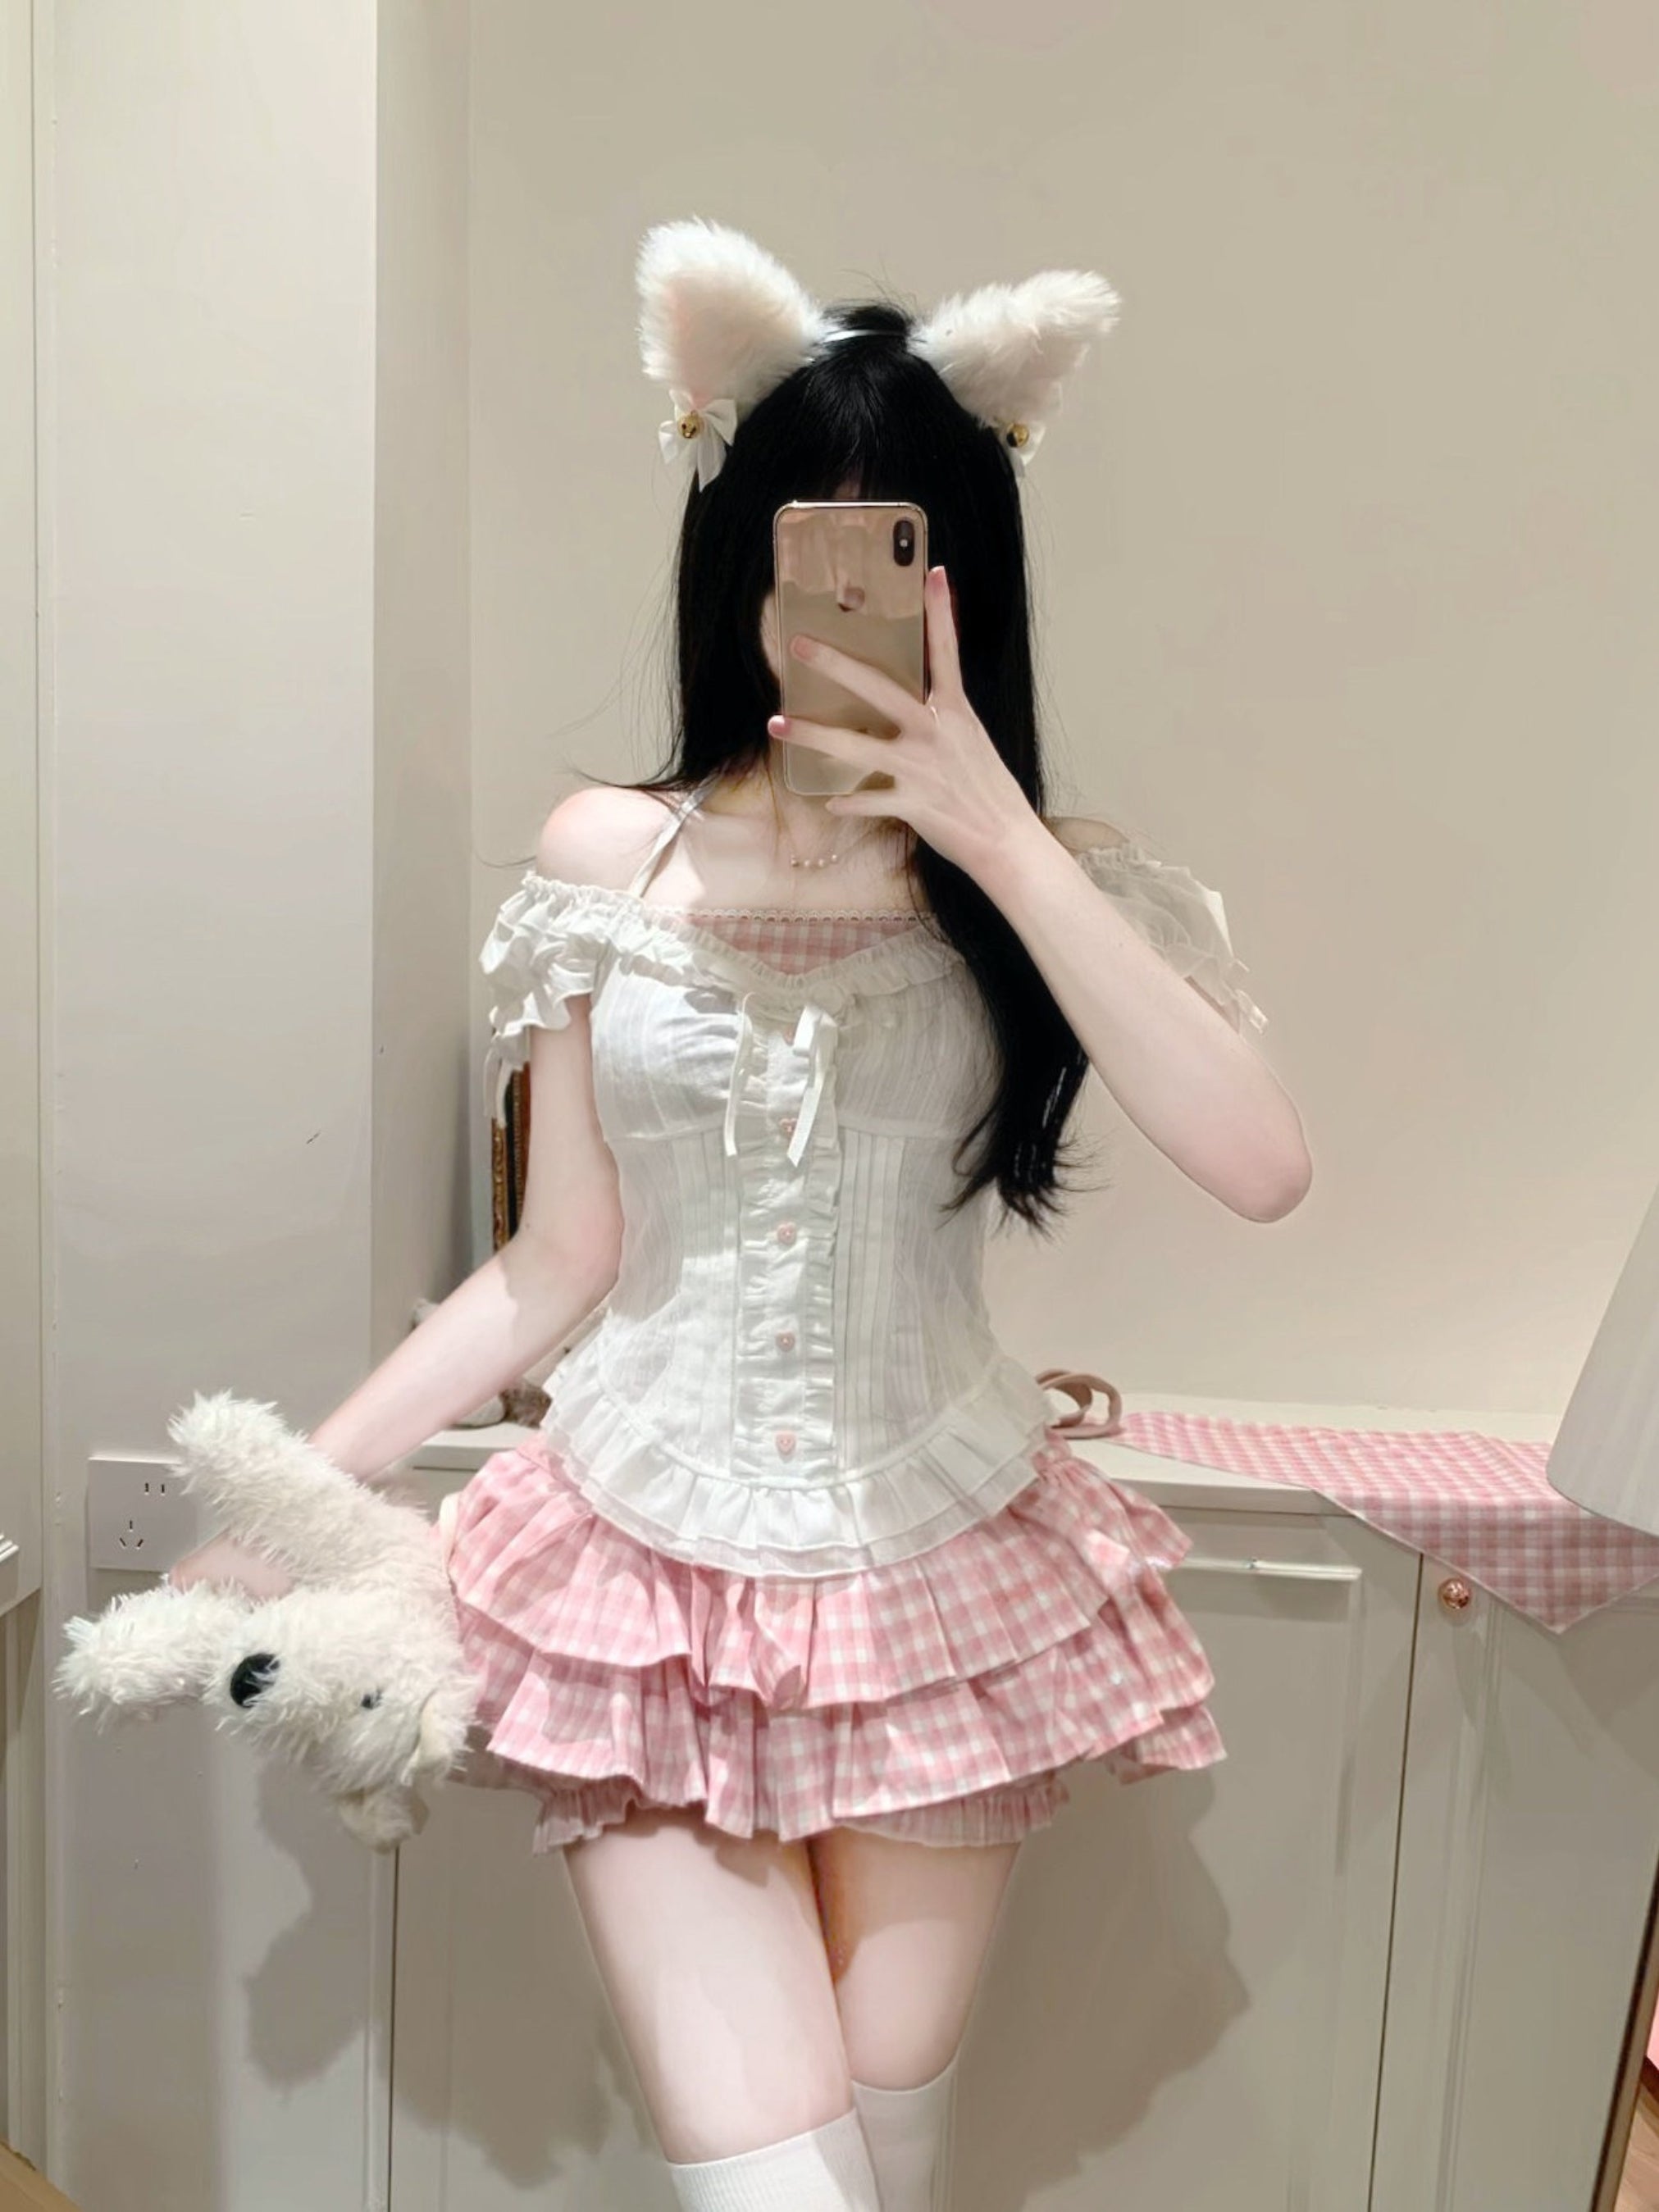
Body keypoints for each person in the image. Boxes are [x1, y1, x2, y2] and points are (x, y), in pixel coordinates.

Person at [173, 218, 1311, 2211]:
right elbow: (557, 1256)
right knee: (777, 2185)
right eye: (809, 542)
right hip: (642, 1562)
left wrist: (997, 836)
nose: (840, 601)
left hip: (943, 1569)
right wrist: (287, 1505)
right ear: (737, 551)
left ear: (962, 581)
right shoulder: (608, 859)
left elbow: (1259, 1163)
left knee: (885, 2144)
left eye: (895, 548)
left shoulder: (1048, 881)